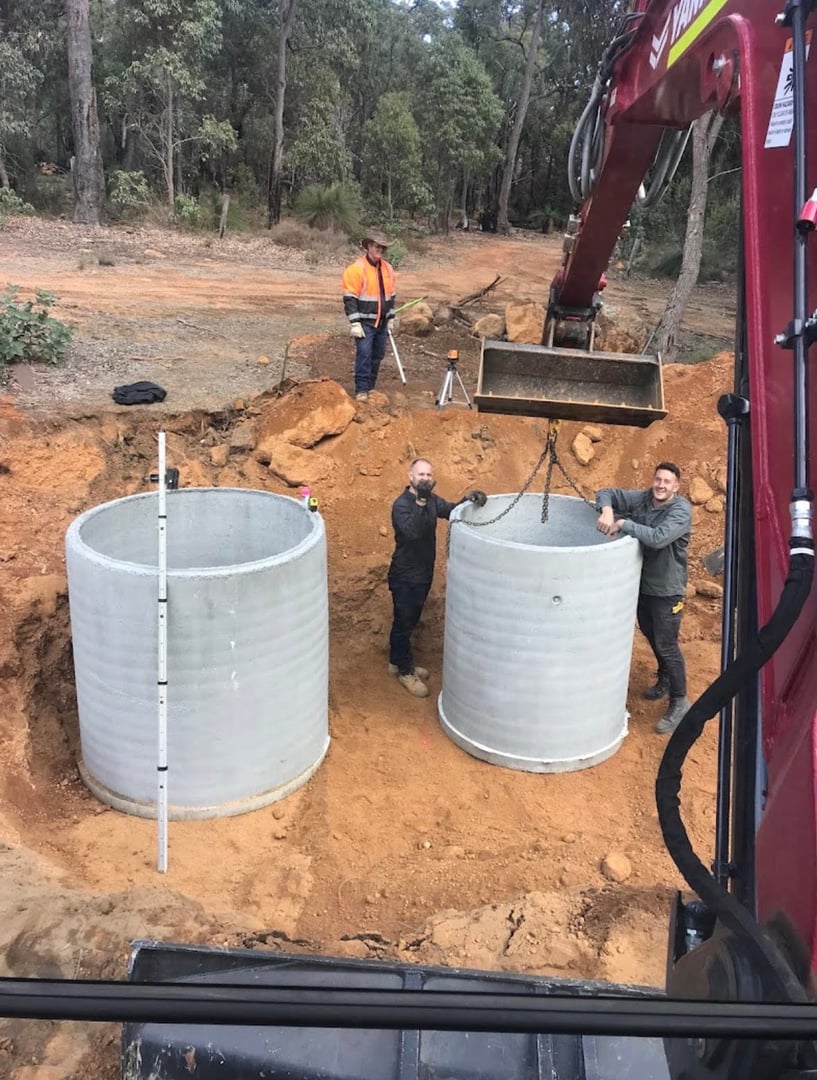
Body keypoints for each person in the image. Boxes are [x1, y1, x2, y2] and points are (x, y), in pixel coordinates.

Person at [595, 462, 692, 735]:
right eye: (658, 480)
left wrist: (624, 523)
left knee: (667, 644)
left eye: (667, 482)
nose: (661, 485)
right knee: (652, 636)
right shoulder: (646, 498)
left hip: (667, 591)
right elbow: (605, 492)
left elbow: (658, 538)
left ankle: (679, 700)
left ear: (676, 487)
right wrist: (606, 511)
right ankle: (664, 680)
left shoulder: (680, 511)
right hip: (644, 586)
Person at [388, 458, 487, 698]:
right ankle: (404, 670)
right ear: (410, 477)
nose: (425, 478)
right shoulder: (401, 505)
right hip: (404, 575)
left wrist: (469, 500)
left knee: (409, 621)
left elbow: (451, 511)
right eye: (420, 474)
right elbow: (411, 531)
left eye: (428, 475)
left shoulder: (432, 500)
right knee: (404, 622)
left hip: (423, 574)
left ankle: (396, 662)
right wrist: (421, 501)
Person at [341, 228, 397, 402]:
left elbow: (391, 295)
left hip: (381, 322)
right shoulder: (356, 269)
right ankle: (362, 390)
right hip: (365, 322)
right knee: (364, 355)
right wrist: (354, 323)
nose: (380, 250)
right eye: (377, 246)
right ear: (369, 247)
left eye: (383, 248)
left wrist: (391, 317)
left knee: (377, 356)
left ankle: (371, 388)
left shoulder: (388, 269)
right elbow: (350, 298)